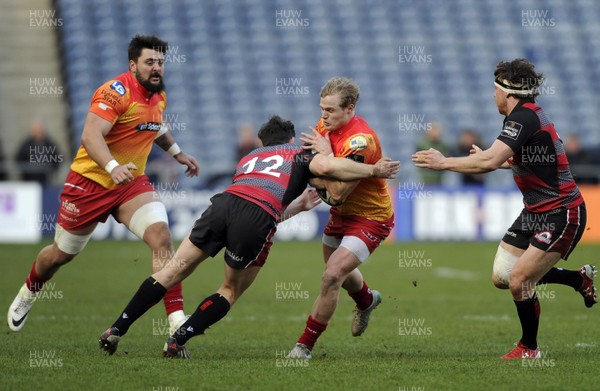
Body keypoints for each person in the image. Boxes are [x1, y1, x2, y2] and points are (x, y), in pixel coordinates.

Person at [97, 115, 400, 358]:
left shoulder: (249, 158)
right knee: (229, 289)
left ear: (262, 141)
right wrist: (372, 170)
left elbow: (255, 195)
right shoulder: (298, 154)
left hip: (222, 204)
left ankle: (115, 329)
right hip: (253, 218)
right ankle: (177, 341)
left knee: (173, 269)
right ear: (292, 140)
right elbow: (329, 168)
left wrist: (295, 207)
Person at [7, 35, 199, 335]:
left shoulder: (158, 94)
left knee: (161, 236)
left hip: (130, 183)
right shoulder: (115, 91)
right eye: (150, 62)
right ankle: (30, 290)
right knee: (61, 255)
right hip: (90, 184)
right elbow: (90, 136)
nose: (156, 68)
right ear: (132, 65)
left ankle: (176, 319)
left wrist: (178, 153)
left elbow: (156, 124)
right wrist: (112, 166)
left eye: (160, 62)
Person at [412, 58, 596, 359]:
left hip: (561, 212)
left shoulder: (523, 118)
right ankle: (578, 278)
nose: (492, 95)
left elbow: (489, 162)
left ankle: (529, 348)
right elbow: (518, 159)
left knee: (520, 280)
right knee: (503, 276)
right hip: (535, 211)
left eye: (495, 89)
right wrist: (495, 159)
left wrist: (443, 161)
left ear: (507, 93)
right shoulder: (524, 117)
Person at [287, 77, 395, 359]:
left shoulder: (361, 141)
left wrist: (325, 158)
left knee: (332, 274)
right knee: (339, 273)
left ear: (350, 108)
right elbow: (307, 170)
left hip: (371, 217)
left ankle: (304, 346)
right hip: (341, 216)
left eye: (331, 110)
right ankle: (367, 300)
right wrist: (321, 167)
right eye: (322, 109)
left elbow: (336, 194)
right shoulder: (325, 127)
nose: (323, 116)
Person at [15, 119, 63, 185]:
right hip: (29, 180)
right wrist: (27, 168)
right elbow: (18, 158)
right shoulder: (26, 144)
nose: (38, 132)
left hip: (46, 181)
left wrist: (51, 168)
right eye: (36, 130)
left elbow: (58, 158)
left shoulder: (49, 144)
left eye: (40, 130)